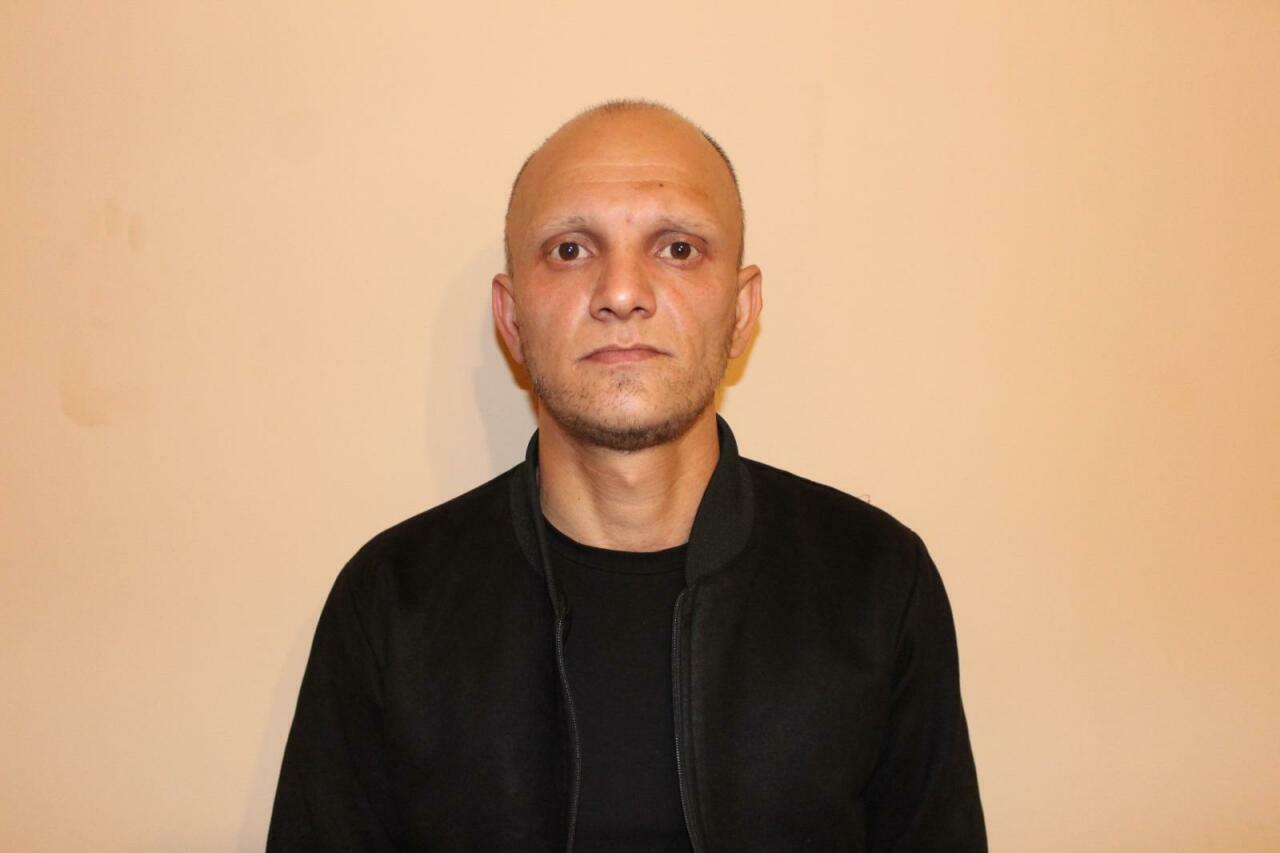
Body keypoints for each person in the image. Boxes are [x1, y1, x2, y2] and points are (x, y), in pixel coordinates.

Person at [267, 100, 986, 852]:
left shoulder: (875, 583)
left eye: (677, 248)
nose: (621, 293)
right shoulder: (392, 602)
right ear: (512, 320)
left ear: (742, 311)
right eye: (570, 250)